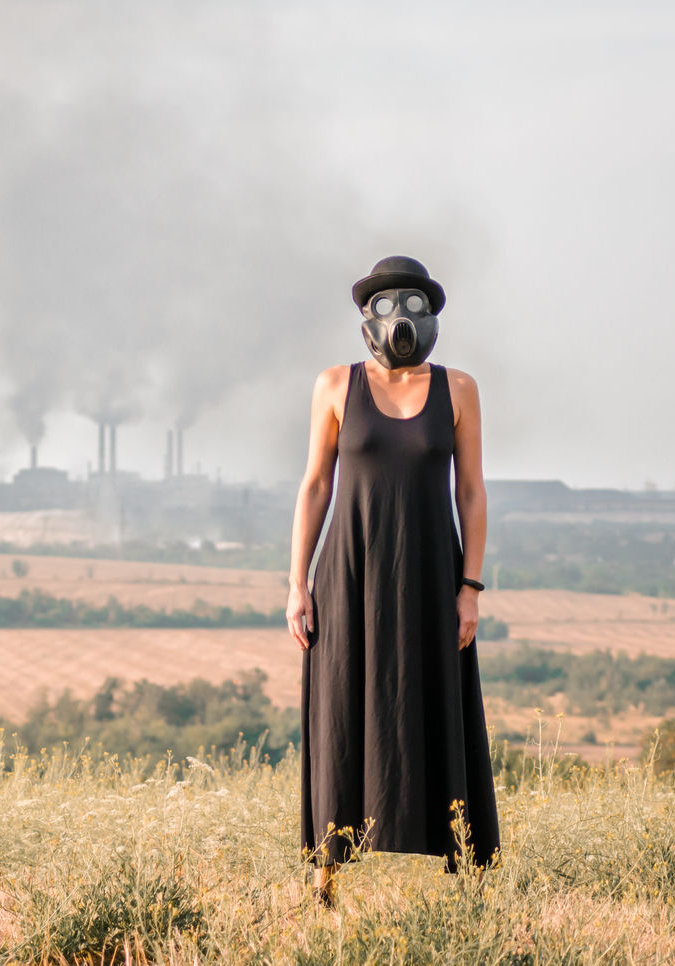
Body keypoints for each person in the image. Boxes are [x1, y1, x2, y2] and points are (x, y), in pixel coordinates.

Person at [287, 255, 501, 908]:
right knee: (341, 710)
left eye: (412, 301)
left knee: (438, 704)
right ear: (366, 316)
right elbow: (316, 484)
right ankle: (325, 874)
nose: (400, 315)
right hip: (349, 572)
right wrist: (296, 584)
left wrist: (470, 587)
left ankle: (464, 873)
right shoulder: (333, 385)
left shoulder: (457, 388)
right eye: (386, 302)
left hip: (432, 572)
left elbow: (471, 490)